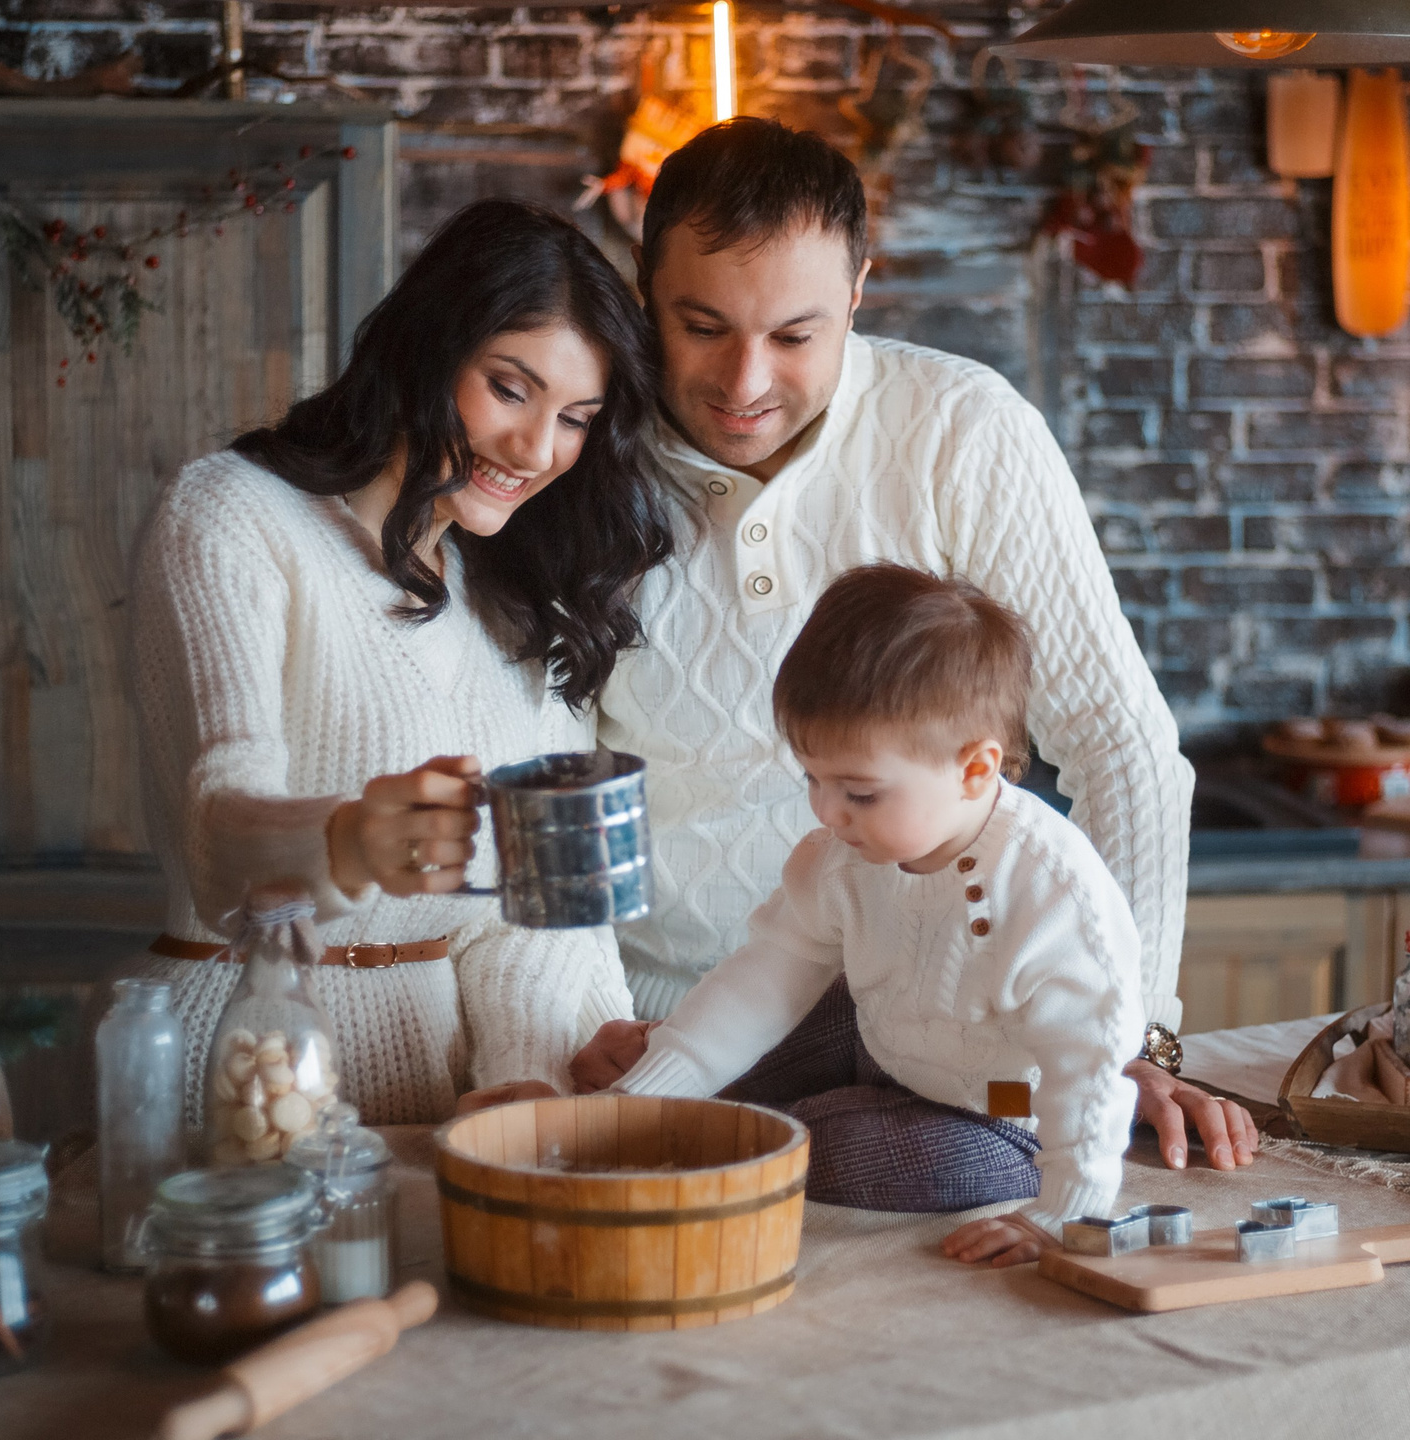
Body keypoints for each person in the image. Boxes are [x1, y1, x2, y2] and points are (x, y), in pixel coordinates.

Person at [581, 116, 1256, 1172]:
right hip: (679, 1024)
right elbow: (546, 780)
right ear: (642, 286)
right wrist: (594, 1022)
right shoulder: (576, 454)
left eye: (796, 336)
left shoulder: (961, 432)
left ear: (858, 290)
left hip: (943, 1036)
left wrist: (1133, 1045)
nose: (745, 381)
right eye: (701, 325)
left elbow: (1121, 747)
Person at [131, 199, 672, 1125]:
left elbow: (516, 920)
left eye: (576, 418)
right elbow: (215, 836)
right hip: (245, 1084)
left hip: (440, 1111)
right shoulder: (230, 516)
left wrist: (548, 1074)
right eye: (510, 389)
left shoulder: (509, 592)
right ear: (427, 349)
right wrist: (350, 840)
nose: (538, 450)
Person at [599, 564, 1144, 1266]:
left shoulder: (1051, 895)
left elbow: (1091, 1064)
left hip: (1002, 1111)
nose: (826, 812)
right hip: (880, 1035)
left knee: (851, 1154)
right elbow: (764, 977)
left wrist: (1068, 1208)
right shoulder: (841, 857)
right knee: (747, 1034)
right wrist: (641, 1096)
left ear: (975, 770)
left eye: (858, 792)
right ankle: (695, 1119)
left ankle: (760, 1136)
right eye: (812, 779)